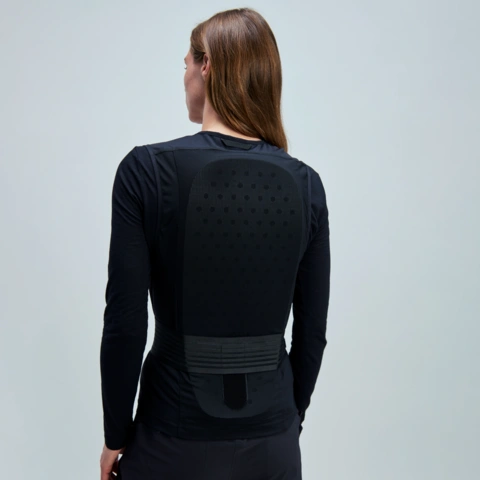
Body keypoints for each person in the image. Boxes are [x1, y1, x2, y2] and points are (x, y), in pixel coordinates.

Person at [99, 7, 330, 480]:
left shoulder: (146, 171)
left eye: (186, 61)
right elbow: (312, 332)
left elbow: (125, 324)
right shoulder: (306, 185)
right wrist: (287, 423)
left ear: (207, 65)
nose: (183, 73)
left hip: (171, 443)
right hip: (274, 446)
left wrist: (115, 434)